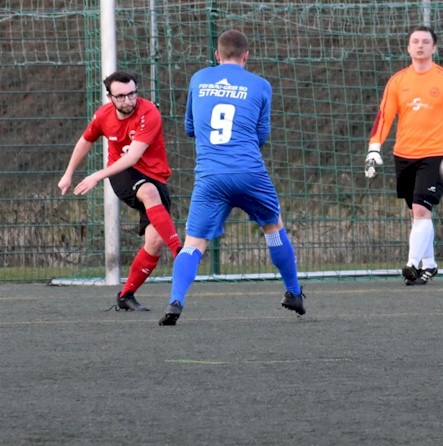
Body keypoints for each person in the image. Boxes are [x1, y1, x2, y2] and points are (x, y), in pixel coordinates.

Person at [159, 29, 305, 325]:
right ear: (246, 56)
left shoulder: (198, 79)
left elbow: (190, 127)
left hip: (210, 176)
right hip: (250, 173)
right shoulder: (261, 85)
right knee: (273, 227)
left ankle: (176, 300)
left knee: (194, 243)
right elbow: (261, 135)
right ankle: (293, 292)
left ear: (217, 55)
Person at [58, 71, 182, 312]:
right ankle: (180, 251)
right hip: (122, 173)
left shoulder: (149, 113)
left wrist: (95, 176)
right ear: (110, 97)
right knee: (148, 193)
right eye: (121, 96)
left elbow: (135, 155)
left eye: (132, 94)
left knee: (154, 241)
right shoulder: (103, 115)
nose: (128, 100)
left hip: (154, 175)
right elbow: (85, 141)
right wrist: (69, 173)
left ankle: (126, 295)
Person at [365, 25, 443, 286]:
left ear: (434, 48)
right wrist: (374, 148)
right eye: (415, 41)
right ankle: (430, 264)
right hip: (403, 154)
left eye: (425, 42)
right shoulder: (398, 81)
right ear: (408, 47)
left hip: (436, 155)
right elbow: (385, 117)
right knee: (416, 213)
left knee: (421, 210)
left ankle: (411, 264)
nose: (420, 45)